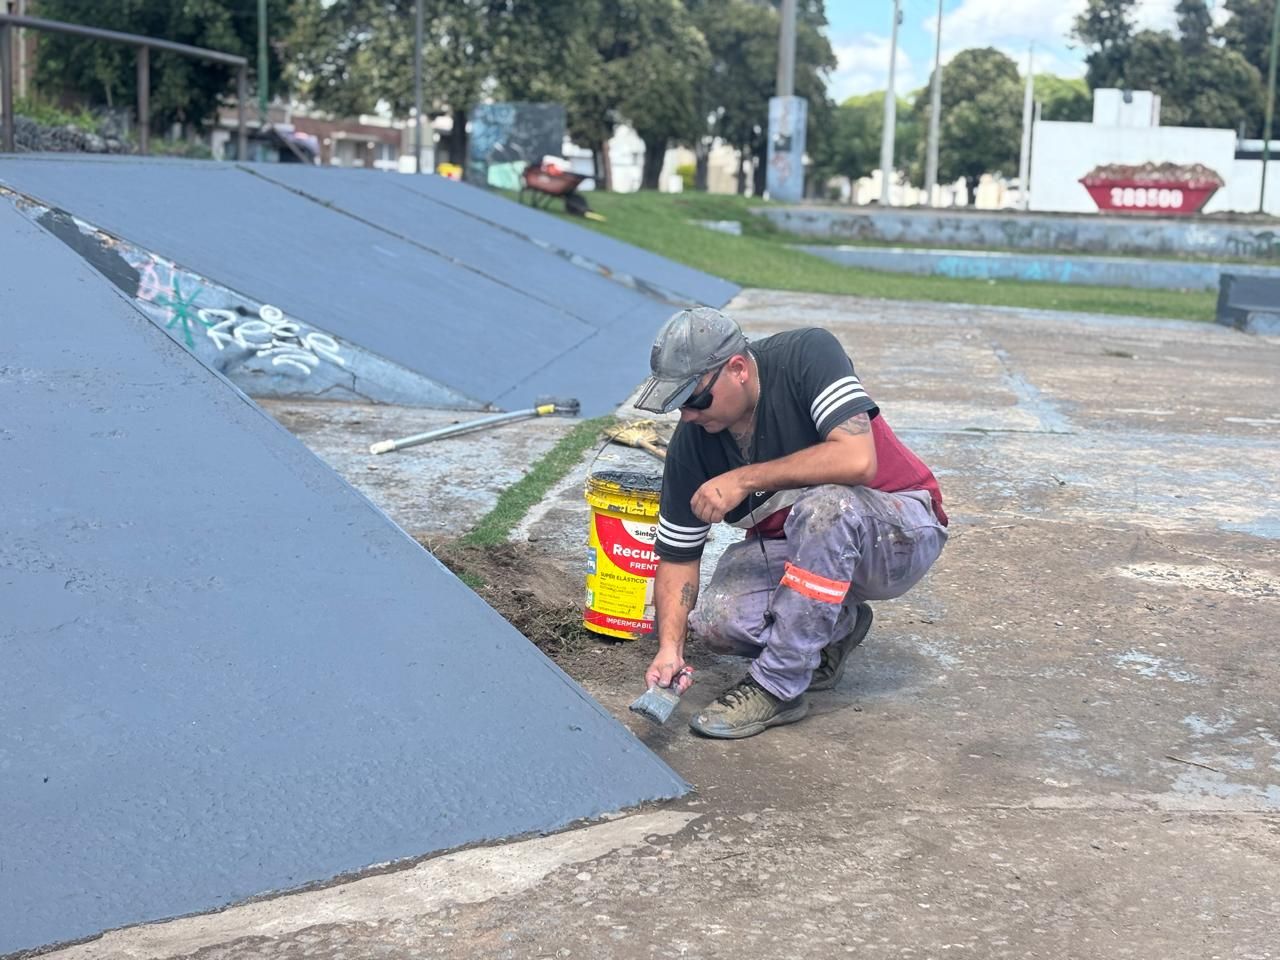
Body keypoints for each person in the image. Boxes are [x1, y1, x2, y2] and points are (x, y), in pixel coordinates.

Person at [633, 306, 949, 739]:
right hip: (808, 555)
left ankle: (778, 687)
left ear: (738, 369)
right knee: (714, 620)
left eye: (693, 398)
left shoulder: (807, 355)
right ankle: (835, 628)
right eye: (677, 404)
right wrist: (670, 649)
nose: (686, 415)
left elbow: (857, 459)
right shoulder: (694, 444)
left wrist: (744, 478)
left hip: (898, 532)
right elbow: (677, 556)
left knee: (827, 508)